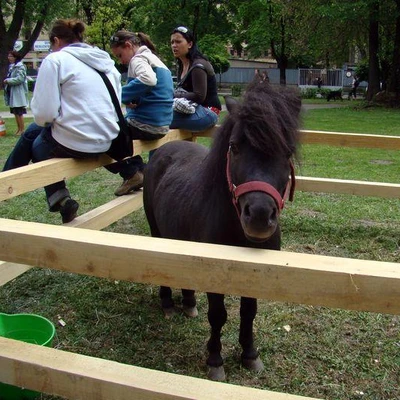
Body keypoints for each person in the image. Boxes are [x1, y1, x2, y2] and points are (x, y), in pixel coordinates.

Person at [3, 19, 122, 223]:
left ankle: (10, 181)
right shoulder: (106, 64)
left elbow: (43, 114)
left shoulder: (56, 60)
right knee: (32, 132)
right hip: (109, 138)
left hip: (79, 142)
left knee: (37, 142)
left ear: (56, 41)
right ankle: (49, 193)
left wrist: (57, 117)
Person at [109, 30, 174, 196]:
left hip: (146, 124)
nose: (121, 61)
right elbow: (156, 91)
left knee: (103, 132)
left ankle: (132, 173)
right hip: (162, 124)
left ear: (129, 46)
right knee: (119, 130)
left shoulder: (138, 59)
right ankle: (140, 171)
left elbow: (149, 79)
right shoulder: (155, 59)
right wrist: (134, 97)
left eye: (119, 55)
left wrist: (119, 94)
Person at [169, 26, 221, 131]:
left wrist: (172, 94)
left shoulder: (198, 65)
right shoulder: (182, 65)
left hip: (208, 112)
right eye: (172, 42)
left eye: (178, 42)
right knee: (160, 115)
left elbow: (199, 96)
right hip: (193, 110)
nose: (174, 45)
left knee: (161, 118)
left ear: (190, 44)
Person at [3, 51, 29, 136]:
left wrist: (8, 81)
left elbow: (20, 79)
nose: (9, 58)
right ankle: (19, 129)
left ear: (15, 57)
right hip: (12, 92)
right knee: (15, 112)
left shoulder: (20, 67)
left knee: (19, 112)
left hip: (18, 92)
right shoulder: (12, 67)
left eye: (11, 56)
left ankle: (22, 129)